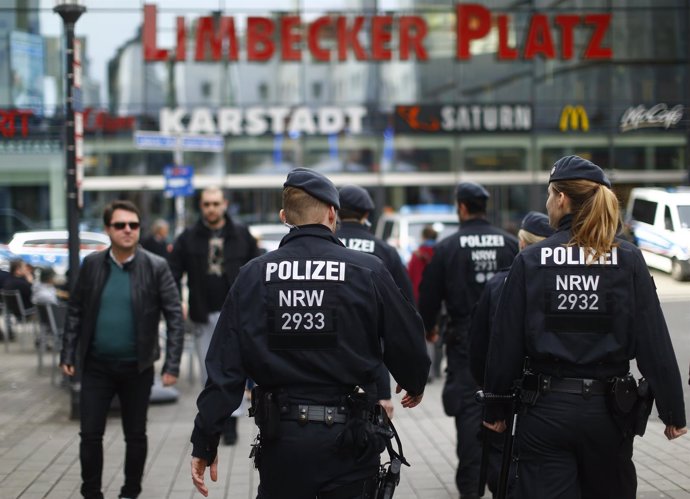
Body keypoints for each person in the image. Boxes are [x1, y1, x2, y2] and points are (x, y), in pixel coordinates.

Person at [190, 168, 430, 498]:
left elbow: (224, 366)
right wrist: (413, 380)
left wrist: (206, 438)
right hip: (350, 439)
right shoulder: (366, 270)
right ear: (333, 213)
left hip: (283, 441)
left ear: (284, 216)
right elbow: (407, 335)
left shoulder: (254, 275)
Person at [483, 155, 687, 499]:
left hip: (545, 411)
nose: (548, 203)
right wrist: (673, 412)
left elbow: (506, 343)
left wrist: (496, 407)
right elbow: (654, 340)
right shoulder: (628, 259)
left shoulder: (532, 260)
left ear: (561, 199)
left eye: (549, 195)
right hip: (609, 415)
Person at [60, 200, 185, 499]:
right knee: (90, 435)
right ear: (107, 230)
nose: (128, 230)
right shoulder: (92, 265)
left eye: (133, 225)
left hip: (137, 367)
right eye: (120, 225)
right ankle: (91, 492)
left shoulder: (156, 267)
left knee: (135, 435)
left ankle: (130, 491)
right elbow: (75, 310)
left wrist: (171, 366)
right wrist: (68, 353)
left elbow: (175, 317)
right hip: (96, 366)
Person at [417, 182, 519, 499]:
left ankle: (471, 488)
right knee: (504, 412)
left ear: (461, 207)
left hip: (464, 345)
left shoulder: (447, 248)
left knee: (470, 418)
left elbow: (429, 296)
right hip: (507, 346)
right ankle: (501, 482)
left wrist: (429, 328)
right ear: (483, 207)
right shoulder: (510, 243)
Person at [467, 211, 553, 497]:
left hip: (510, 393)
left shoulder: (497, 284)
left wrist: (492, 399)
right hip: (551, 397)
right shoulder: (557, 279)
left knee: (502, 465)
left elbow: (483, 348)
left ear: (522, 244)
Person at [169, 186, 260, 445]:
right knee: (209, 375)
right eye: (207, 204)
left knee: (235, 371)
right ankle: (212, 423)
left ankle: (231, 423)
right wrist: (178, 301)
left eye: (215, 203)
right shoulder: (188, 238)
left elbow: (258, 272)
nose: (211, 208)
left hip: (237, 316)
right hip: (202, 314)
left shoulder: (242, 235)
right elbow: (172, 272)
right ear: (201, 206)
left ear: (225, 204)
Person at [336, 184, 415, 419]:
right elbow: (405, 310)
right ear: (367, 214)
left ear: (336, 211)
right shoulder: (384, 251)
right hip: (370, 362)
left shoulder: (323, 246)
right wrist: (410, 375)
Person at [407, 224, 438, 304]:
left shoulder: (416, 254)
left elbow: (409, 276)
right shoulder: (440, 253)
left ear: (423, 237)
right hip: (436, 297)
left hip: (418, 296)